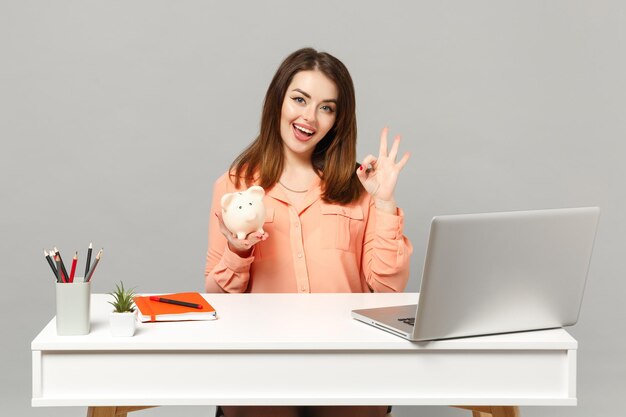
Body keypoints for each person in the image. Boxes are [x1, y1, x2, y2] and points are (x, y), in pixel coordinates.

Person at [205, 48, 412, 417]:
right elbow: (218, 298)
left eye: (326, 107)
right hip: (259, 360)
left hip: (348, 360)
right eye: (299, 99)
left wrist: (383, 202)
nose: (309, 117)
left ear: (337, 119)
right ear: (277, 101)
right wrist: (237, 251)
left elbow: (386, 290)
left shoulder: (360, 185)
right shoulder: (235, 186)